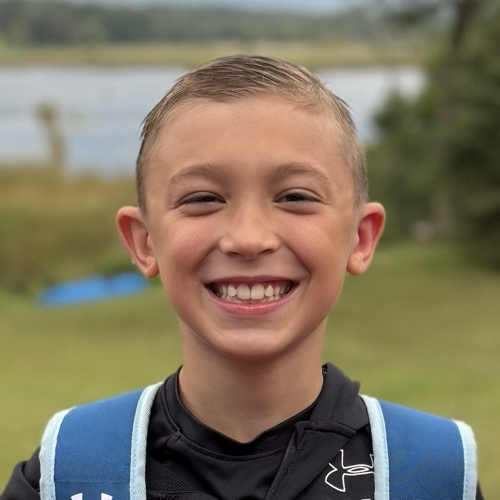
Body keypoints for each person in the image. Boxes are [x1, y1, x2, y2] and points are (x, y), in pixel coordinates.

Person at [1, 55, 482, 500]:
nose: (249, 239)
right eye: (203, 199)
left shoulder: (433, 474)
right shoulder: (72, 472)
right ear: (144, 242)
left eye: (295, 197)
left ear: (360, 237)